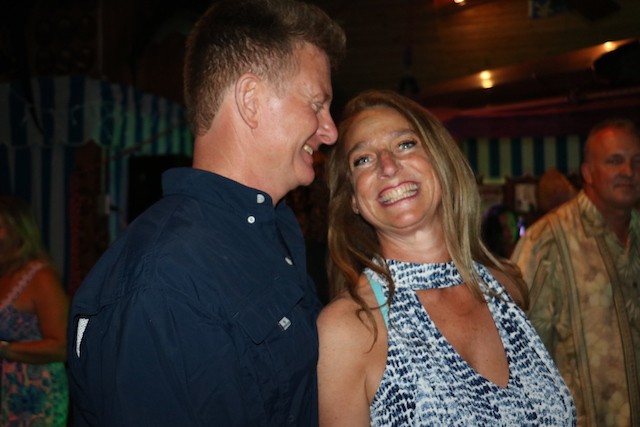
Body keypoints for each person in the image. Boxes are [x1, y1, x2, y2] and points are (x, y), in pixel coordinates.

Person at [67, 1, 346, 426]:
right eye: (316, 104)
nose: (330, 130)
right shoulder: (164, 281)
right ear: (250, 101)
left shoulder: (271, 233)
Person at [317, 90, 575, 426]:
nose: (388, 166)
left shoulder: (504, 288)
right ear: (352, 198)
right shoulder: (350, 329)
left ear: (441, 162)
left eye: (405, 144)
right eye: (362, 159)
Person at [511, 118, 640, 427]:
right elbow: (516, 348)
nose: (629, 171)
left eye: (637, 162)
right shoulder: (547, 241)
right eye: (614, 161)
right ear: (588, 173)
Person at [0, 195, 69, 426]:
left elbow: (61, 347)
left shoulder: (40, 278)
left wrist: (6, 350)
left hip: (33, 397)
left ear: (18, 231)